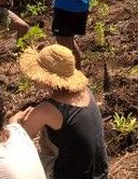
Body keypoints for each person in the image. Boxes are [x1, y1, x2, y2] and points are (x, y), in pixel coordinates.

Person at [11, 44, 109, 179]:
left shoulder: (47, 110)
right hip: (100, 173)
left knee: (15, 162)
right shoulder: (85, 91)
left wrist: (13, 124)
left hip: (70, 175)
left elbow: (14, 143)